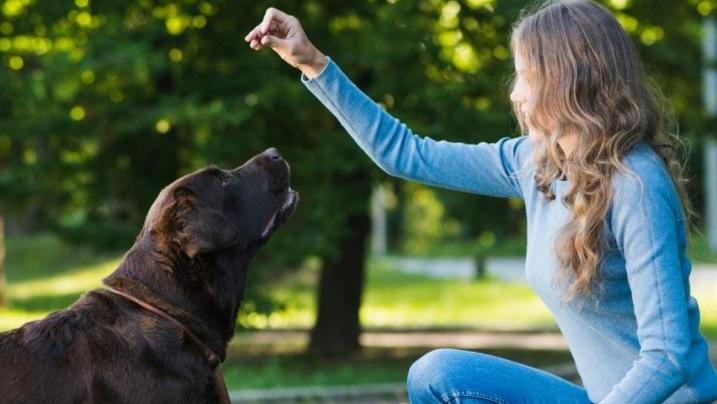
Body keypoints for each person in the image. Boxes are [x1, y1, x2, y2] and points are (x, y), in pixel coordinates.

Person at [244, 1, 717, 402]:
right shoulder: (538, 164)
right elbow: (406, 153)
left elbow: (668, 356)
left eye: (528, 77)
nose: (516, 94)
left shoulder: (637, 185)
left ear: (571, 80)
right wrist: (314, 64)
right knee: (438, 375)